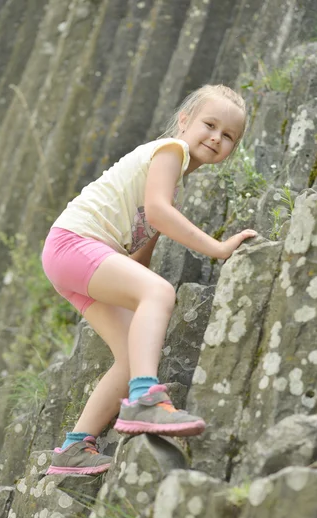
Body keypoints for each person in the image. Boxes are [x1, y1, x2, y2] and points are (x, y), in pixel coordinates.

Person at [41, 84, 257, 475]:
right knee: (159, 292)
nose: (216, 137)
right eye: (210, 124)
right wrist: (219, 248)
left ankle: (73, 449)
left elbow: (141, 251)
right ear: (184, 121)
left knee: (130, 355)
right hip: (73, 244)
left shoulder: (168, 181)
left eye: (229, 136)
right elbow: (156, 214)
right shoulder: (171, 151)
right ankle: (145, 401)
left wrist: (145, 299)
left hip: (71, 259)